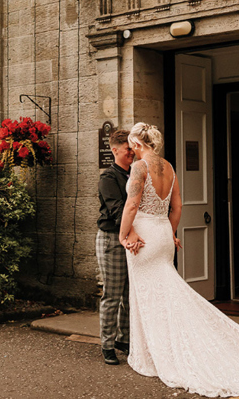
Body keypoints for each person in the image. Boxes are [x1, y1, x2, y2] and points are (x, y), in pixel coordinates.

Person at [118, 122, 239, 397]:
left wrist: (123, 236)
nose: (131, 152)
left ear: (136, 144)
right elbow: (177, 205)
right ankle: (161, 350)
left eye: (132, 147)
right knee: (166, 294)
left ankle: (153, 356)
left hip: (143, 236)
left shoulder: (140, 167)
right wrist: (169, 233)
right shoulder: (168, 167)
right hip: (163, 234)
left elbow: (132, 204)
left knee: (149, 296)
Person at [96, 129, 141, 365]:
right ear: (115, 150)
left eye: (133, 148)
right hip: (112, 239)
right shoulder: (108, 177)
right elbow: (116, 209)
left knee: (128, 294)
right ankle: (107, 344)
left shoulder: (135, 173)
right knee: (112, 295)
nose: (132, 152)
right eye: (127, 149)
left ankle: (124, 339)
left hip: (130, 239)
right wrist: (130, 232)